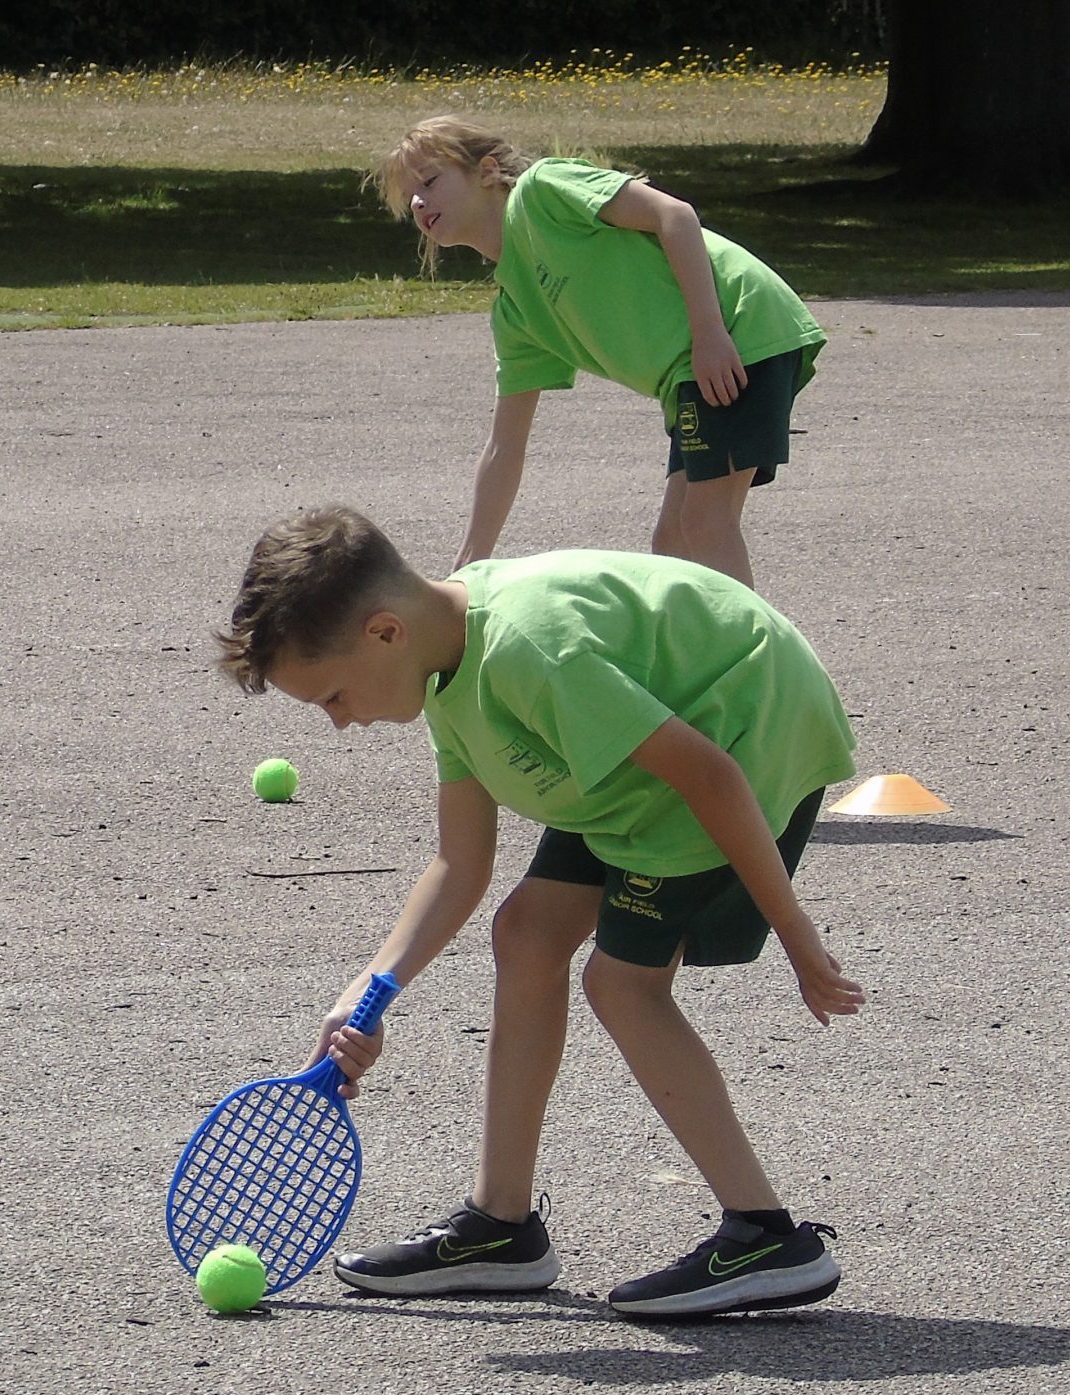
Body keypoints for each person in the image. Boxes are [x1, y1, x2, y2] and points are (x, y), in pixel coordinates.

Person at [221, 507, 863, 1319]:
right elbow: (461, 864)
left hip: (747, 736)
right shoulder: (442, 665)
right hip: (639, 767)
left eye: (333, 697)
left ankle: (769, 1235)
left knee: (623, 984)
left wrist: (799, 939)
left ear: (384, 632)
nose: (340, 722)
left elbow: (711, 780)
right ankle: (502, 1227)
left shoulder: (529, 652)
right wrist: (369, 991)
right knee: (525, 933)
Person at [374, 118, 826, 590]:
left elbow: (675, 215)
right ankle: (701, 659)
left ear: (486, 171)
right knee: (673, 543)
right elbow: (504, 448)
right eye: (410, 197)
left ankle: (754, 660)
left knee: (705, 525)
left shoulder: (542, 191)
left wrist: (710, 331)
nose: (419, 201)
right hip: (691, 372)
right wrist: (467, 568)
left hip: (739, 327)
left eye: (429, 181)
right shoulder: (515, 310)